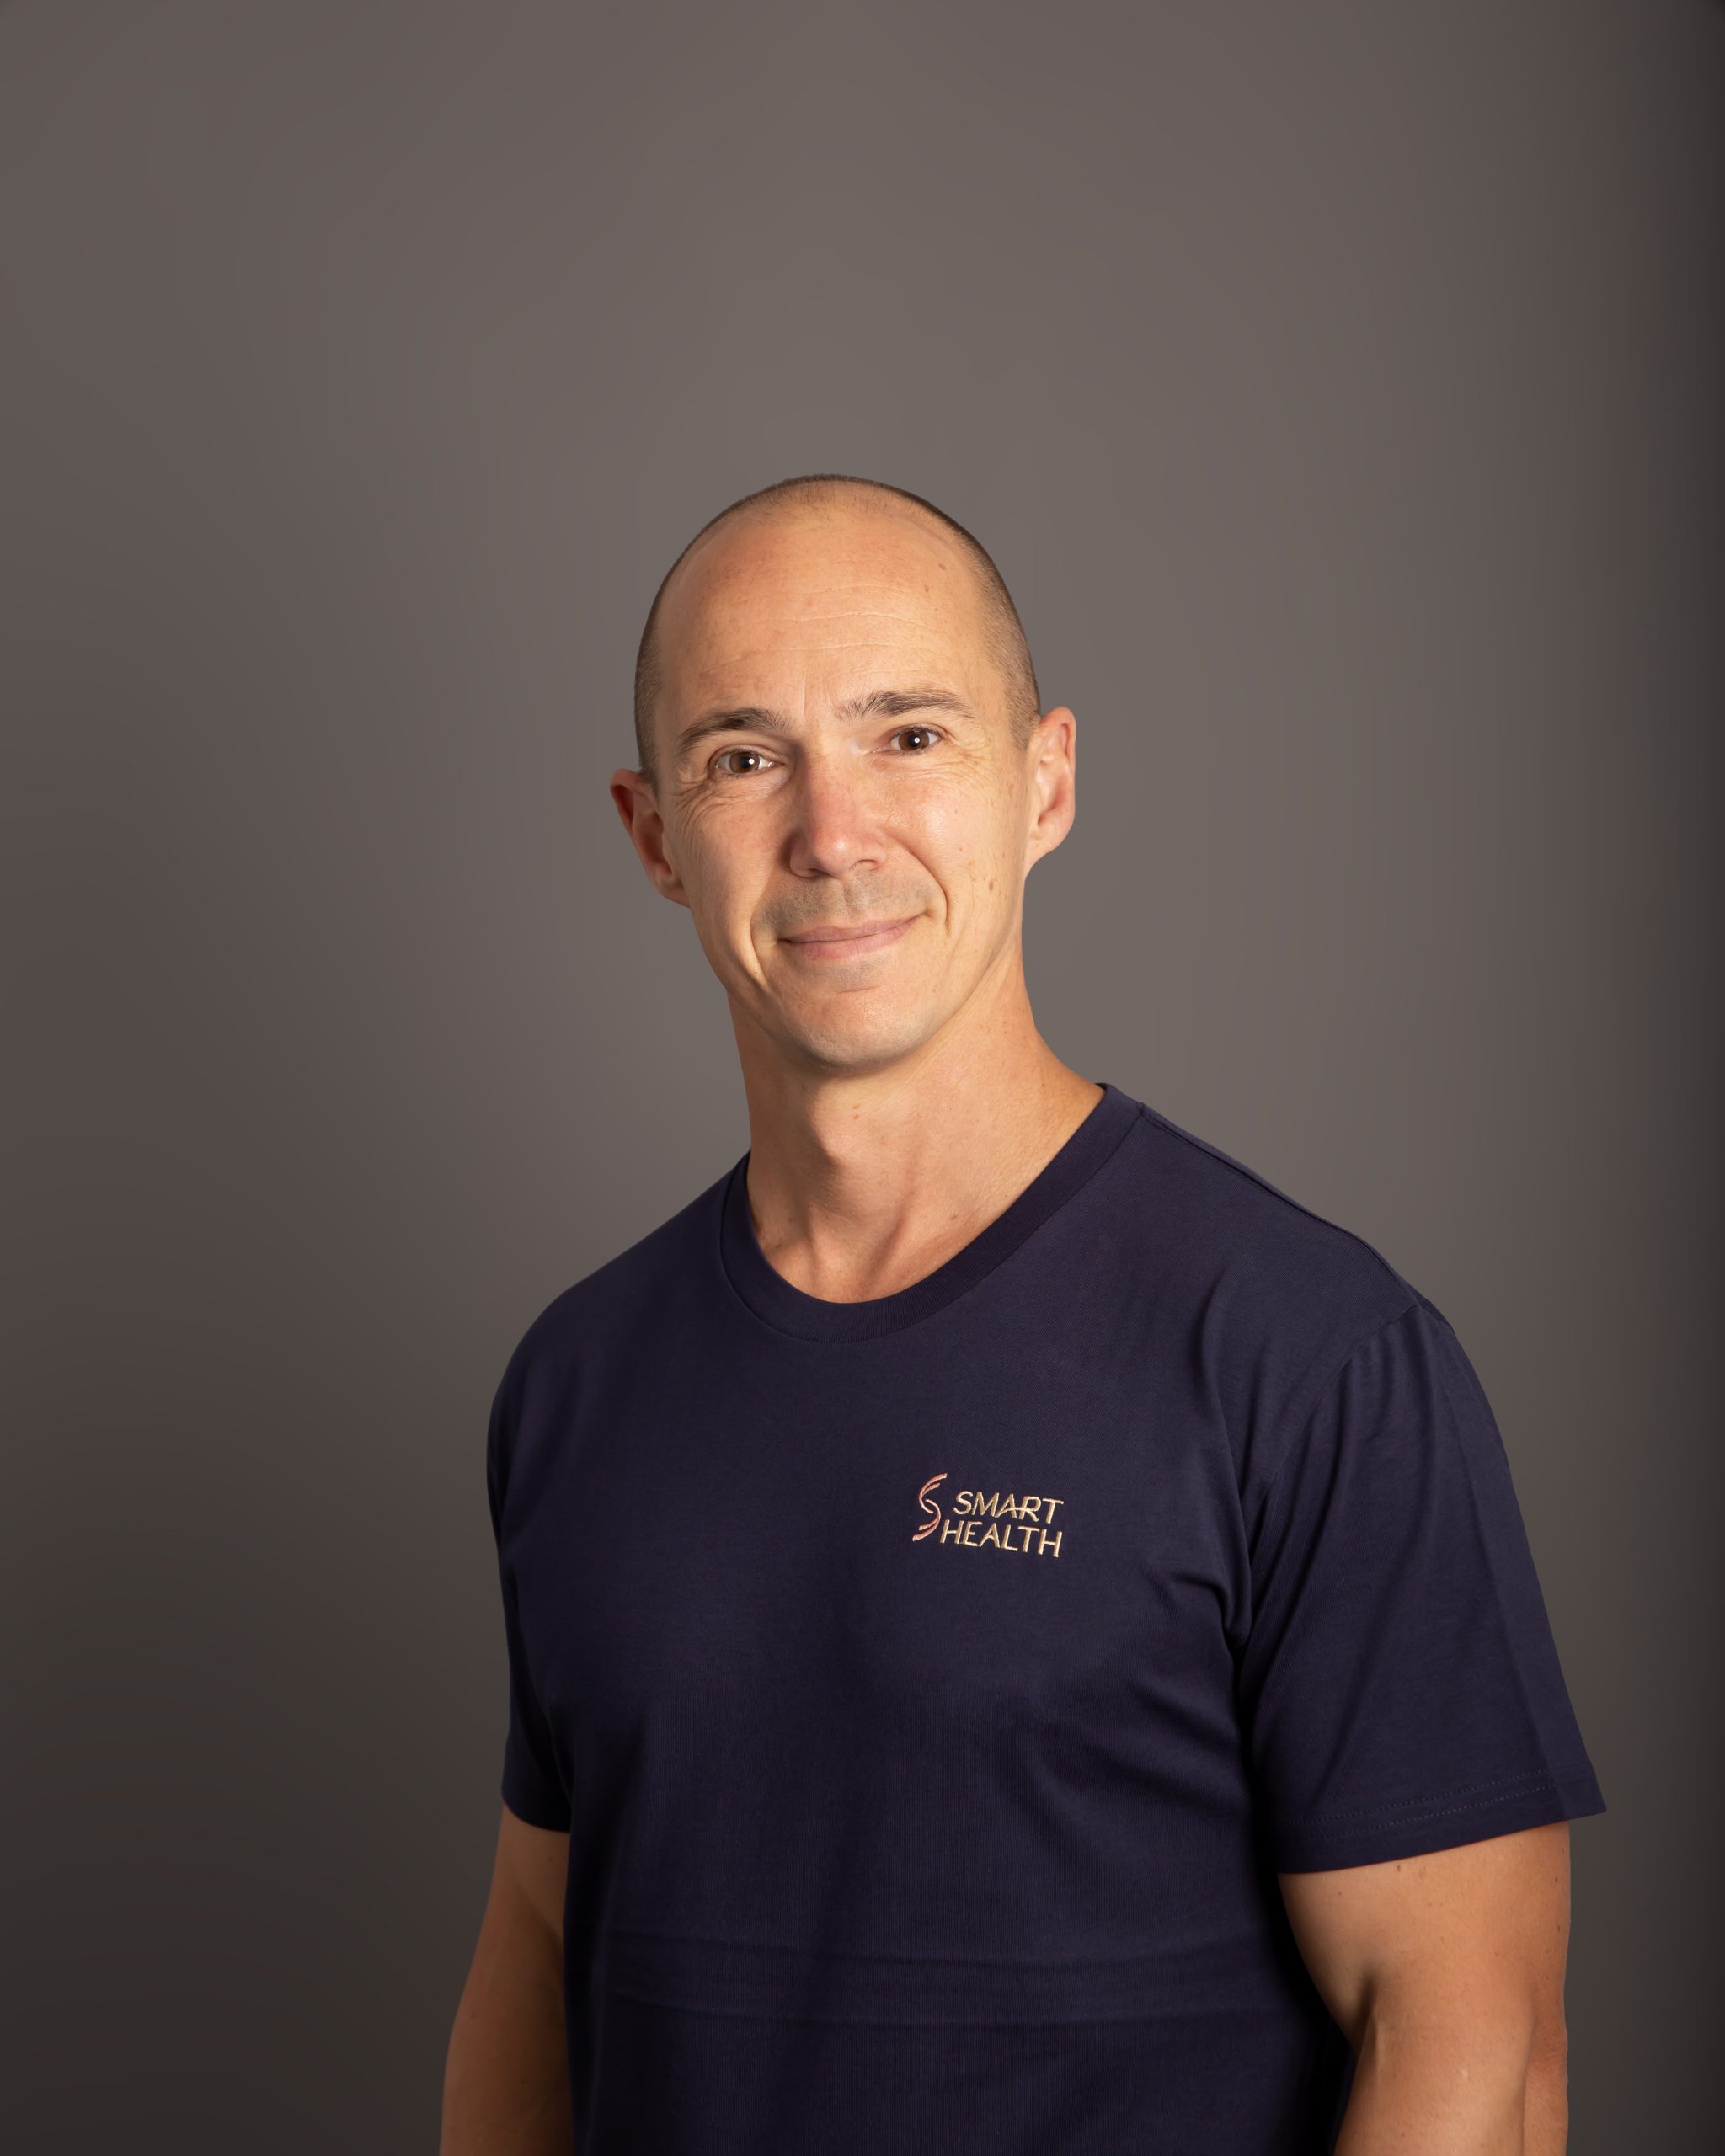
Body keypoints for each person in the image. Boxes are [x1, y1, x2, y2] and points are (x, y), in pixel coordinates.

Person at [440, 473, 1606, 2155]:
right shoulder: (578, 1383)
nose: (833, 832)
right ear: (652, 836)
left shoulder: (1308, 1359)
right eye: (745, 757)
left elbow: (1472, 2050)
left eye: (910, 736)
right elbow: (540, 1947)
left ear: (1044, 779)